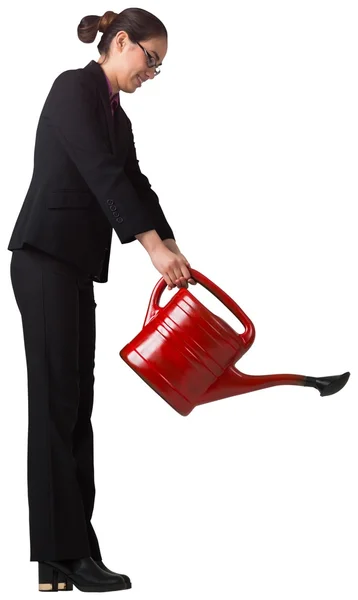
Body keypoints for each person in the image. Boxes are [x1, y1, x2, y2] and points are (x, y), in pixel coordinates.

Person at [8, 7, 196, 593]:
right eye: (151, 58)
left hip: (74, 268)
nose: (153, 73)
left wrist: (172, 248)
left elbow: (135, 182)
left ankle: (63, 558)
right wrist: (148, 250)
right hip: (43, 261)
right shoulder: (72, 89)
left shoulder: (121, 122)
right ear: (121, 42)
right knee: (54, 407)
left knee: (74, 408)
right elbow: (99, 174)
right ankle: (65, 552)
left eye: (160, 66)